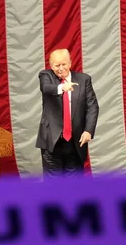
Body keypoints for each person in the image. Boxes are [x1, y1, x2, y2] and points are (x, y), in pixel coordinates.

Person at [36, 48, 99, 177]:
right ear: (51, 66)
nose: (60, 68)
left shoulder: (84, 79)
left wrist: (88, 131)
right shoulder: (46, 76)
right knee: (53, 187)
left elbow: (92, 107)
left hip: (75, 141)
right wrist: (62, 87)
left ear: (70, 63)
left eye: (63, 64)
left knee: (74, 187)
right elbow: (46, 88)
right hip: (52, 141)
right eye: (57, 65)